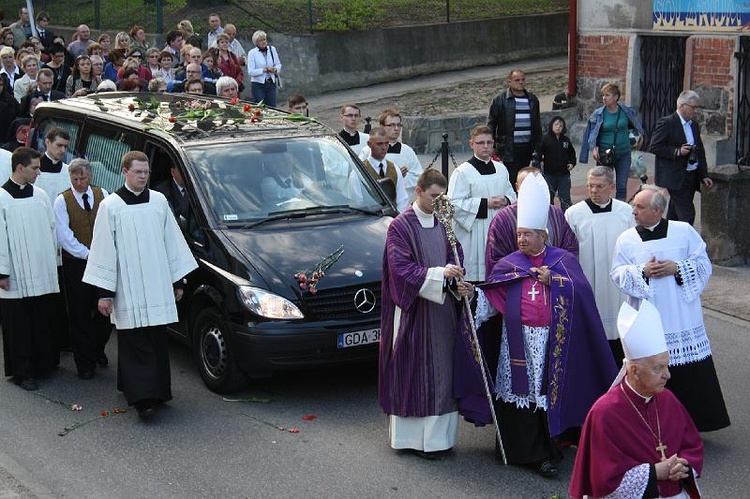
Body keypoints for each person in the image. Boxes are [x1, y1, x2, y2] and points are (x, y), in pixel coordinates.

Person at [465, 172, 617, 477]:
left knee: (543, 391)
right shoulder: (509, 264)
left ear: (543, 236)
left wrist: (556, 282)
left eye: (528, 235)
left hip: (551, 342)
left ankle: (546, 449)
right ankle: (516, 448)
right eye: (519, 234)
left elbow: (581, 293)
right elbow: (491, 300)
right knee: (519, 391)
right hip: (516, 341)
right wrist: (473, 294)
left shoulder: (562, 261)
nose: (521, 240)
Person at [83, 151, 197, 419]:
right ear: (125, 172)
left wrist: (177, 280)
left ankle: (158, 391)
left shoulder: (158, 202)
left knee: (156, 339)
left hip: (157, 283)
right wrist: (105, 294)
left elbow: (173, 242)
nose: (143, 177)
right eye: (138, 172)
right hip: (128, 286)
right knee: (134, 341)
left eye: (146, 172)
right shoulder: (111, 206)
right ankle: (142, 399)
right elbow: (103, 250)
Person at [611, 184, 730, 432]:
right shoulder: (626, 239)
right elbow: (617, 273)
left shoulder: (683, 232)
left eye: (640, 207)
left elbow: (703, 264)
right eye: (634, 206)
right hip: (648, 314)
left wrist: (677, 268)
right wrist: (641, 271)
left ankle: (694, 423)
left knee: (688, 374)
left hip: (681, 317)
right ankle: (654, 426)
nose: (634, 211)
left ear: (657, 210)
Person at [379, 168, 473, 459]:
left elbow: (454, 255)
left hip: (441, 308)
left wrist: (456, 276)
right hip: (413, 311)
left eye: (442, 197)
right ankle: (410, 440)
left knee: (442, 372)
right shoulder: (400, 226)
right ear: (418, 192)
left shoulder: (443, 222)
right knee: (413, 370)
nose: (438, 202)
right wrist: (438, 274)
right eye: (434, 196)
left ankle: (438, 442)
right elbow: (400, 269)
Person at [569, 300, 704, 499]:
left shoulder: (667, 399)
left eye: (667, 366)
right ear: (634, 371)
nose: (668, 375)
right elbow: (603, 479)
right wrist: (655, 472)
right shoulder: (605, 412)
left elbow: (693, 445)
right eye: (658, 368)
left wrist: (683, 465)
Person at [0, 147, 59, 391]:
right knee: (19, 324)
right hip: (15, 273)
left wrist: (52, 263)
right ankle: (23, 372)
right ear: (20, 167)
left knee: (40, 318)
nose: (39, 171)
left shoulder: (42, 195)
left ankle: (44, 364)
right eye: (35, 168)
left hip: (40, 268)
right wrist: (2, 272)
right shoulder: (2, 198)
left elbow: (51, 229)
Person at [565, 166, 634, 365]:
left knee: (620, 336)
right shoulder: (574, 214)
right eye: (590, 186)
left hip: (618, 286)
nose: (594, 190)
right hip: (589, 281)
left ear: (612, 187)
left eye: (599, 186)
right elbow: (568, 252)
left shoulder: (626, 212)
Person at [54, 158, 112, 379]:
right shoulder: (62, 200)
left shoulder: (103, 195)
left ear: (90, 177)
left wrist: (102, 253)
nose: (78, 183)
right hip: (76, 264)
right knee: (79, 314)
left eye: (83, 178)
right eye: (75, 179)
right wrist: (88, 254)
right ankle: (84, 363)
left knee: (105, 313)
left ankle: (96, 349)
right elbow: (64, 236)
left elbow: (108, 225)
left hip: (102, 261)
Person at [447, 124, 515, 281]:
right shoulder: (462, 172)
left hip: (498, 229)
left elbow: (512, 194)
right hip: (474, 232)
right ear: (472, 144)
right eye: (480, 143)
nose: (486, 146)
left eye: (489, 142)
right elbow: (454, 204)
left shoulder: (501, 169)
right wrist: (485, 204)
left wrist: (506, 200)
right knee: (476, 280)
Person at [485, 166, 578, 278]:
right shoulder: (503, 219)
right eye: (527, 185)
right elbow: (495, 258)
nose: (533, 190)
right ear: (517, 187)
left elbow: (570, 248)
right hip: (518, 285)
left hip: (553, 282)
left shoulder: (556, 214)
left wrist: (555, 274)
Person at [650, 90, 713, 226]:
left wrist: (704, 175)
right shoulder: (667, 123)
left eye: (697, 108)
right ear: (682, 106)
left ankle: (667, 239)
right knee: (687, 215)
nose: (695, 111)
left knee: (675, 215)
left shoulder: (693, 125)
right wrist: (678, 151)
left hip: (691, 175)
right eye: (693, 107)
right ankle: (688, 244)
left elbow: (700, 151)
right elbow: (655, 147)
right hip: (674, 175)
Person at [579, 82, 645, 201]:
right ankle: (604, 207)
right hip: (605, 155)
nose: (604, 98)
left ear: (616, 97)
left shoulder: (626, 111)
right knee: (603, 184)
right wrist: (594, 148)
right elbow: (592, 134)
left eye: (607, 95)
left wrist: (639, 138)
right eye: (603, 95)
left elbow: (634, 127)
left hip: (624, 154)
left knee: (621, 186)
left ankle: (620, 211)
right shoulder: (598, 114)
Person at [487, 69, 542, 188]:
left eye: (523, 80)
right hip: (509, 147)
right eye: (517, 80)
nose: (521, 82)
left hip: (528, 147)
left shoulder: (532, 99)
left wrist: (539, 148)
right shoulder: (500, 100)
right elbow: (491, 124)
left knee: (526, 177)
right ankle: (513, 203)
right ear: (509, 82)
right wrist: (491, 144)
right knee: (512, 178)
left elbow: (537, 125)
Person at [358, 127, 408, 212]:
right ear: (369, 144)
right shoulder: (360, 171)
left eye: (386, 143)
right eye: (379, 144)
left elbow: (402, 199)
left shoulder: (394, 168)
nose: (384, 148)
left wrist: (396, 218)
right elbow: (357, 200)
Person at [379, 109, 423, 198]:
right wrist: (393, 176)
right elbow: (364, 177)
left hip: (404, 201)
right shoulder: (369, 151)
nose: (396, 128)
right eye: (391, 125)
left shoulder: (407, 151)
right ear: (382, 127)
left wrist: (402, 177)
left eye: (399, 125)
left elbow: (418, 177)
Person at [535, 115, 576, 211]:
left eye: (561, 125)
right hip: (549, 174)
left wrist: (572, 163)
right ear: (551, 125)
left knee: (565, 198)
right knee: (549, 198)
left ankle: (566, 219)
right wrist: (538, 166)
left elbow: (572, 154)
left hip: (564, 175)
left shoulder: (566, 140)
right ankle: (551, 217)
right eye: (556, 124)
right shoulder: (545, 139)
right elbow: (537, 154)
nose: (558, 127)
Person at [248, 30, 281, 107]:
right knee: (260, 106)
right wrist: (263, 70)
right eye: (260, 41)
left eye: (264, 39)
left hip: (271, 82)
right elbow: (251, 71)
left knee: (272, 106)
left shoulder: (272, 49)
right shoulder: (252, 53)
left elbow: (278, 64)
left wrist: (275, 69)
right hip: (258, 84)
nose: (263, 42)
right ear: (256, 43)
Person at [36, 127, 71, 199]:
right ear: (47, 142)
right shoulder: (34, 169)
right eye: (59, 145)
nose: (63, 150)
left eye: (65, 146)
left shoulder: (68, 171)